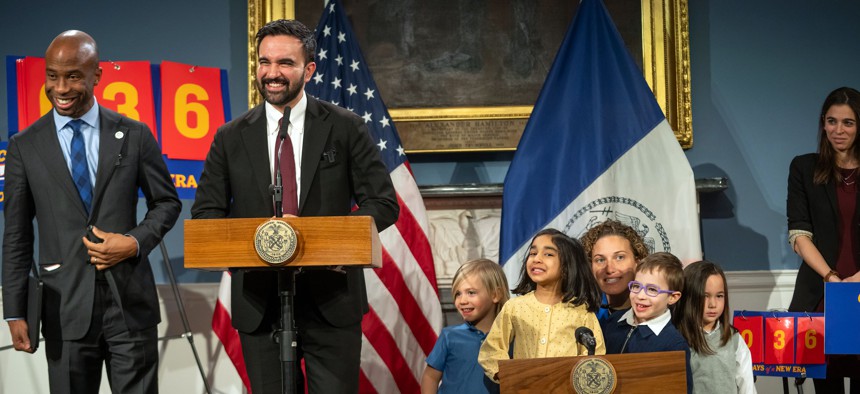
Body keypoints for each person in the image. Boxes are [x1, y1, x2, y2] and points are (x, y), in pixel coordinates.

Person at [190, 19, 398, 393]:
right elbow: (206, 214)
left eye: (285, 63)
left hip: (331, 300)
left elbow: (382, 202)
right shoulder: (230, 137)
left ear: (309, 69)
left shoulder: (345, 127)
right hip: (259, 301)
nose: (272, 73)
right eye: (264, 62)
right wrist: (264, 240)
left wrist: (328, 240)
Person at [2, 30, 181, 393]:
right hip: (63, 307)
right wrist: (14, 310)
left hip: (130, 305)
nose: (61, 87)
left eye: (73, 76)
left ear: (96, 76)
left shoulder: (134, 134)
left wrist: (132, 242)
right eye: (52, 75)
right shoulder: (24, 146)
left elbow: (167, 202)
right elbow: (17, 234)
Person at [787, 86, 860, 393]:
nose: (838, 130)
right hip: (819, 296)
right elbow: (799, 233)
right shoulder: (804, 167)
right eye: (831, 121)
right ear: (823, 123)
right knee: (825, 387)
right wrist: (831, 277)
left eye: (848, 122)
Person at [478, 228, 605, 383]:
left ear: (566, 266)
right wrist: (508, 377)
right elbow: (491, 349)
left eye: (548, 254)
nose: (537, 259)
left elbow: (595, 355)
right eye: (533, 253)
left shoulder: (581, 311)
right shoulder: (515, 307)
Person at [600, 252, 693, 393]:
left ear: (673, 297)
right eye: (636, 286)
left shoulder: (674, 345)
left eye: (652, 290)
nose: (640, 296)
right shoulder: (612, 323)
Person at [421, 259, 509, 394]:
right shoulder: (449, 336)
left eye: (471, 292)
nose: (462, 301)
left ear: (495, 294)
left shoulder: (509, 339)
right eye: (458, 294)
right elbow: (430, 377)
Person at [674, 261, 755, 394]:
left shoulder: (733, 338)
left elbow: (747, 386)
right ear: (689, 297)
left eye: (719, 296)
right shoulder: (677, 338)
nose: (713, 304)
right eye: (704, 296)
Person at [580, 219, 650, 320]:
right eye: (600, 260)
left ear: (638, 262)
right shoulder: (581, 313)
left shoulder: (658, 311)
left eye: (619, 257)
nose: (610, 269)